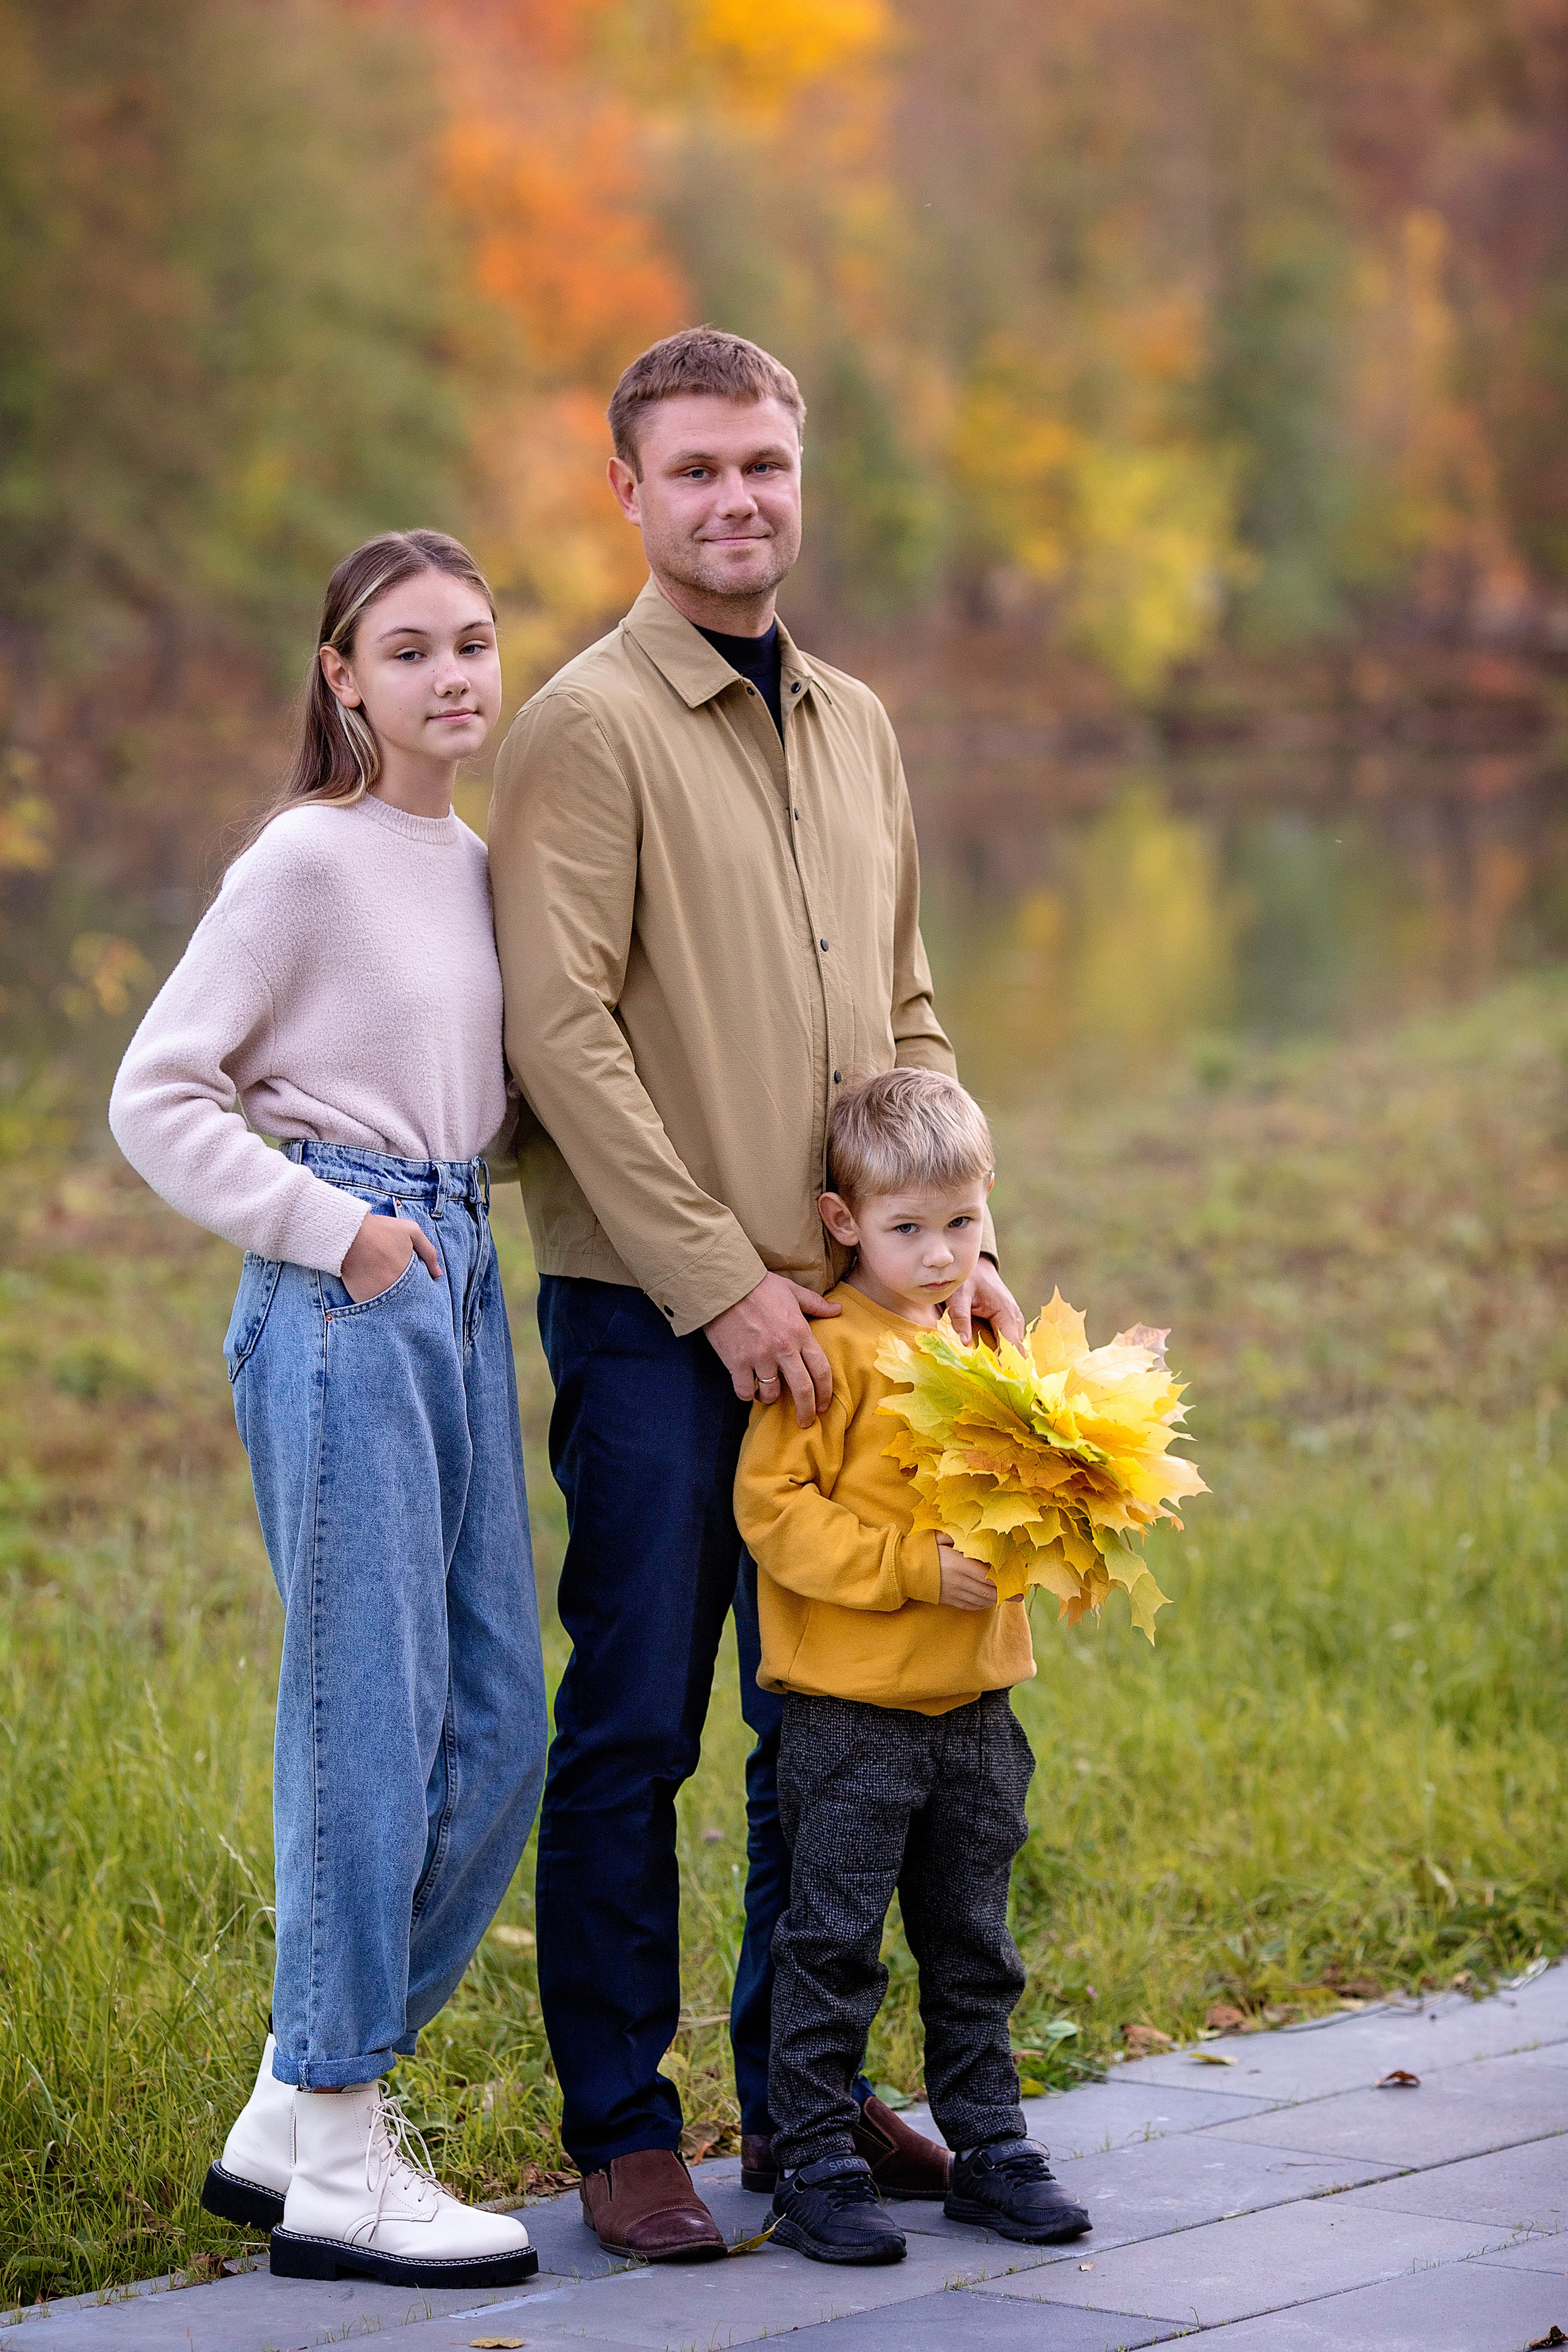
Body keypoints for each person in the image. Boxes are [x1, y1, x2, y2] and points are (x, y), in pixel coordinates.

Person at [488, 327, 1025, 2261]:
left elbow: (908, 1005)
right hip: (656, 1316)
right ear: (628, 492)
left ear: (803, 477)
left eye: (764, 464)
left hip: (860, 1327)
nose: (737, 499)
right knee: (640, 1719)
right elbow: (558, 1033)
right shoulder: (584, 728)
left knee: (832, 1721)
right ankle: (623, 2127)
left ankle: (802, 2098)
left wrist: (964, 1247)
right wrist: (722, 1284)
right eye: (698, 468)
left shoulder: (859, 722)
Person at [108, 531, 547, 2290]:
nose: (451, 675)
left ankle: (295, 2108)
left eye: (474, 643)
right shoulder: (303, 859)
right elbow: (156, 1092)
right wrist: (330, 1230)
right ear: (342, 678)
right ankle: (346, 2153)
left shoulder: (477, 865)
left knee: (498, 1729)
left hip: (461, 1269)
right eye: (409, 649)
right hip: (349, 1284)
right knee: (369, 1722)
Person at [734, 1068, 1093, 2264]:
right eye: (907, 1229)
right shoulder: (827, 1354)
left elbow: (1026, 1491)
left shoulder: (986, 1345)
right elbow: (772, 1510)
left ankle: (990, 2150)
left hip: (979, 1709)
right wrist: (905, 1567)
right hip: (852, 1718)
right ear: (844, 1223)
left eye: (961, 1224)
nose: (940, 1255)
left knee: (975, 1946)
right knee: (832, 1944)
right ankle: (814, 2162)